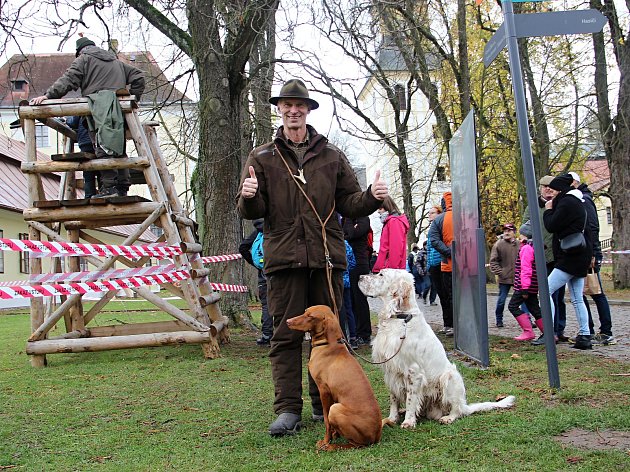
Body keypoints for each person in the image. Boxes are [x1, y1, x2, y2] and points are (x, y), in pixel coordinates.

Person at [236, 78, 388, 437]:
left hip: (325, 259)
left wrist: (372, 196)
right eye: (286, 105)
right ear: (279, 110)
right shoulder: (261, 156)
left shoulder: (331, 155)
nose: (293, 110)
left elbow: (350, 203)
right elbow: (252, 209)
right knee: (286, 338)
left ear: (307, 111)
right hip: (284, 260)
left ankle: (326, 404)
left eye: (299, 105)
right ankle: (288, 410)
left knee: (333, 337)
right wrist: (249, 195)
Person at [30, 36, 145, 199]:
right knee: (118, 147)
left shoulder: (84, 59)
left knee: (102, 146)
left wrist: (48, 95)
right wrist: (133, 99)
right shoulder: (116, 62)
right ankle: (122, 187)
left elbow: (68, 80)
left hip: (99, 109)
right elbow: (138, 76)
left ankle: (109, 188)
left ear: (80, 51)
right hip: (118, 111)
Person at [542, 173, 593, 350]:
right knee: (577, 298)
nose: (552, 193)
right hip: (579, 254)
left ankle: (549, 332)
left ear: (561, 190)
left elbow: (551, 224)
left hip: (570, 257)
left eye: (554, 190)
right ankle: (585, 335)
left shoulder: (567, 202)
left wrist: (548, 210)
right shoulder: (577, 201)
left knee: (545, 289)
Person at [571, 173, 616, 345]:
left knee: (596, 292)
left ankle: (606, 331)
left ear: (575, 182)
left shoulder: (584, 199)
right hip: (583, 252)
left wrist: (592, 253)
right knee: (581, 293)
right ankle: (587, 328)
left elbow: (592, 227)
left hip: (589, 253)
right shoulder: (579, 199)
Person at [523, 175, 569, 344]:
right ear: (540, 188)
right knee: (546, 295)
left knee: (558, 296)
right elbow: (525, 227)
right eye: (545, 187)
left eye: (551, 187)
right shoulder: (533, 206)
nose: (548, 189)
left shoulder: (561, 204)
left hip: (559, 255)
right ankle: (549, 331)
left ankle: (559, 329)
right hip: (541, 257)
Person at [238, 219, 272, 346]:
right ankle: (287, 334)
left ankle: (267, 335)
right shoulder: (278, 228)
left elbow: (243, 247)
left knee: (267, 305)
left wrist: (257, 265)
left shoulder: (258, 231)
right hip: (281, 272)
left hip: (264, 273)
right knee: (285, 303)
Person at [509, 222, 544, 341]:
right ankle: (548, 332)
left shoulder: (527, 248)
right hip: (533, 285)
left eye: (521, 234)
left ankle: (528, 331)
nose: (519, 236)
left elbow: (525, 269)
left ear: (526, 235)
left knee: (512, 306)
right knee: (534, 309)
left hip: (524, 285)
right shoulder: (535, 247)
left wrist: (524, 288)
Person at [342, 216, 373, 347]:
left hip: (359, 262)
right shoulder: (347, 220)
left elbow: (351, 234)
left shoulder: (363, 219)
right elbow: (348, 234)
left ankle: (364, 333)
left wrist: (349, 222)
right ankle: (355, 333)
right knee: (352, 300)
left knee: (360, 299)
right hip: (350, 263)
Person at [429, 192, 454, 336]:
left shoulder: (440, 220)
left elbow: (434, 240)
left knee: (449, 296)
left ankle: (452, 325)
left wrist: (449, 253)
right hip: (466, 266)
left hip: (447, 264)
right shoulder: (466, 215)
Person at [489, 223, 519, 328]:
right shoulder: (498, 244)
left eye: (509, 230)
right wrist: (501, 272)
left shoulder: (519, 244)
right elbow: (493, 262)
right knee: (501, 300)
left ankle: (527, 319)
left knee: (524, 300)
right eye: (505, 230)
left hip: (518, 278)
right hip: (504, 278)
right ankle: (499, 319)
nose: (506, 232)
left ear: (514, 232)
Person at [65, 115, 100, 198]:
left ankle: (89, 196)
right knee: (101, 170)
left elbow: (73, 122)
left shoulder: (81, 108)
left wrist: (66, 119)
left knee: (88, 173)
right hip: (98, 142)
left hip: (85, 142)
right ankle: (103, 192)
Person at [371, 196, 409, 272]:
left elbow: (396, 248)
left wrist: (391, 270)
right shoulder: (390, 222)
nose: (378, 211)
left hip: (389, 270)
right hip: (386, 268)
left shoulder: (394, 221)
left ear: (387, 206)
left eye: (380, 208)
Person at [425, 205, 442, 307]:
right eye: (429, 213)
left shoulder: (440, 227)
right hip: (433, 264)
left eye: (432, 213)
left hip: (439, 263)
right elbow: (429, 249)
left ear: (439, 214)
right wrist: (428, 265)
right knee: (436, 287)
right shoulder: (432, 228)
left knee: (442, 292)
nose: (429, 215)